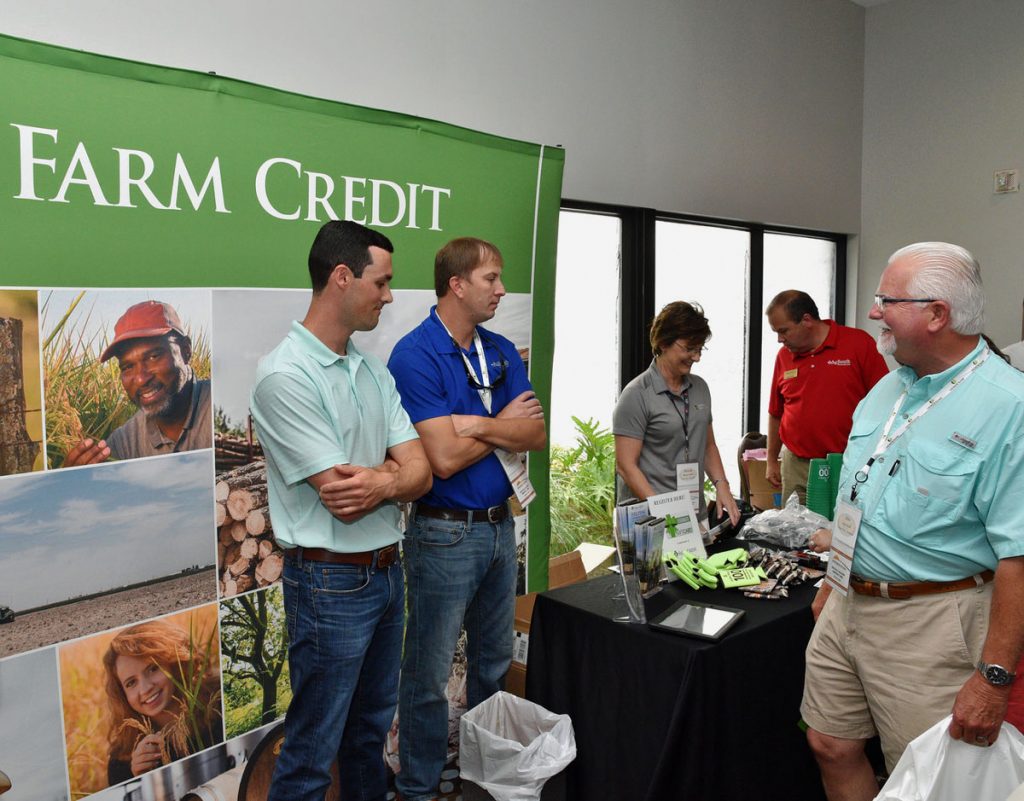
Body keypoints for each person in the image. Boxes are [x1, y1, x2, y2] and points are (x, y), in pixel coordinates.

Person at [801, 242, 1024, 801]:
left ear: (937, 314)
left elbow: (1018, 555)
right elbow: (858, 494)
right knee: (830, 743)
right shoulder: (887, 387)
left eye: (887, 300)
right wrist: (835, 580)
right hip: (847, 603)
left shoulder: (1008, 407)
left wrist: (994, 679)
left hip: (931, 620)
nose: (874, 313)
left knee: (932, 780)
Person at [250, 220, 431, 801]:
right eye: (382, 282)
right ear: (342, 277)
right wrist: (394, 477)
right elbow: (340, 496)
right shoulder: (285, 376)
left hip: (385, 573)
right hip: (328, 583)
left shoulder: (371, 370)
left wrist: (382, 480)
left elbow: (422, 471)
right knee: (310, 753)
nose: (390, 295)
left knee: (367, 739)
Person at [387, 237, 546, 801]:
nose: (502, 290)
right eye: (491, 279)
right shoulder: (413, 355)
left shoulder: (499, 349)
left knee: (493, 662)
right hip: (443, 532)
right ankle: (420, 787)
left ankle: (483, 776)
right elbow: (442, 458)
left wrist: (476, 423)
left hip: (502, 527)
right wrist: (500, 418)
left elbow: (534, 432)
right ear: (457, 284)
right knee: (428, 675)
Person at [613, 301, 740, 526]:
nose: (697, 357)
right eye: (690, 348)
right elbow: (625, 465)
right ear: (663, 343)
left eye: (700, 349)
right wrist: (662, 513)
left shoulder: (700, 388)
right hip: (652, 520)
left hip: (693, 513)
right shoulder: (636, 394)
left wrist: (723, 486)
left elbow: (708, 445)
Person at [764, 290, 888, 504]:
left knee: (841, 528)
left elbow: (886, 403)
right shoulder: (784, 356)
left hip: (846, 462)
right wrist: (771, 460)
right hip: (796, 464)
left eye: (783, 331)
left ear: (807, 320)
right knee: (794, 530)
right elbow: (776, 412)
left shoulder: (858, 344)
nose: (779, 339)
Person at [63, 300, 211, 466]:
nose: (141, 379)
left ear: (186, 350)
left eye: (153, 357)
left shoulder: (218, 405)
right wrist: (71, 480)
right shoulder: (122, 445)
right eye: (127, 367)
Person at [103, 619, 222, 784]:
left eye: (153, 668)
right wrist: (142, 781)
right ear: (122, 694)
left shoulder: (220, 702)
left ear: (173, 662)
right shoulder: (122, 760)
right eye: (131, 683)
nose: (145, 689)